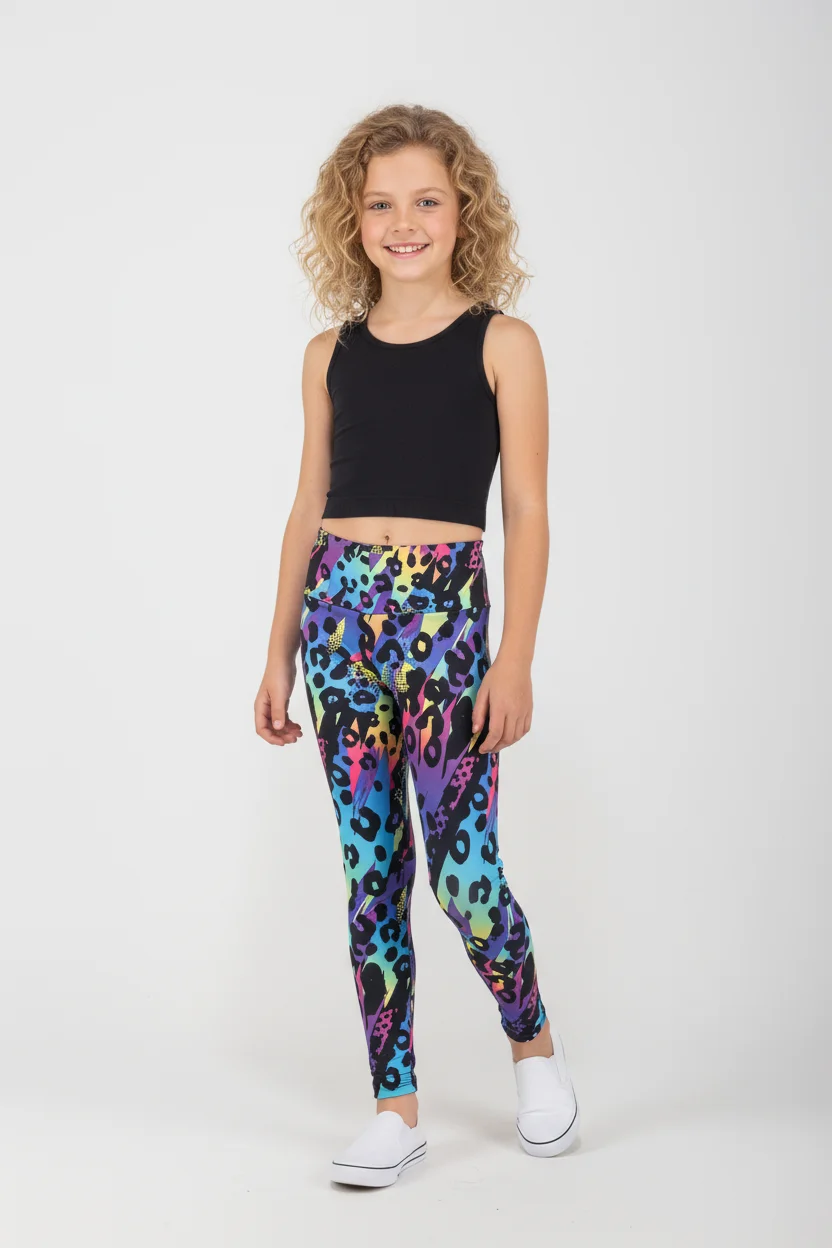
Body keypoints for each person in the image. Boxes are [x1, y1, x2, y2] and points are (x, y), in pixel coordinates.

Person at [254, 103, 580, 1186]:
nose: (404, 223)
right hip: (338, 623)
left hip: (446, 626)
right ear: (351, 221)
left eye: (427, 201)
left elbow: (526, 509)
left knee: (464, 874)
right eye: (381, 204)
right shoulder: (328, 355)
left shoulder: (503, 343)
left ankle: (534, 1049)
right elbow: (306, 507)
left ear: (463, 212)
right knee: (372, 874)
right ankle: (394, 1104)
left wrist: (514, 657)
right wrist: (276, 652)